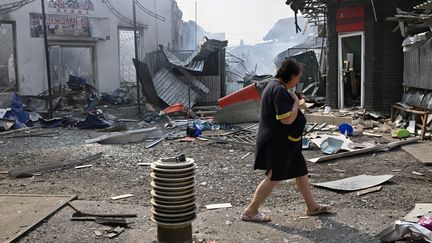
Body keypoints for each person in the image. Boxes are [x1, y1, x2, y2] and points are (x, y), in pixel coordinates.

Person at [241, 58, 331, 222]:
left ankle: (312, 206)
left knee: (300, 171)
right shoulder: (279, 91)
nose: (298, 81)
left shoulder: (275, 86)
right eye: (298, 77)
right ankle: (251, 211)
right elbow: (287, 120)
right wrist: (296, 103)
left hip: (288, 141)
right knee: (274, 176)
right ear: (291, 75)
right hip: (278, 142)